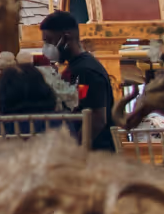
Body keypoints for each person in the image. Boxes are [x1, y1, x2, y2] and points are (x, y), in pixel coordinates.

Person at [39, 10, 117, 151]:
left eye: (49, 41)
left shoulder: (87, 71)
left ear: (66, 38)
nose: (46, 48)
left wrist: (76, 149)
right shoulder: (76, 68)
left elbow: (96, 118)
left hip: (96, 157)